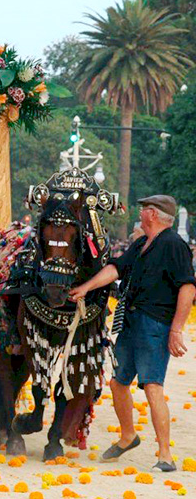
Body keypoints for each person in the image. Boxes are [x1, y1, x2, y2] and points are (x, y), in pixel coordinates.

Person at [69, 195, 195, 472]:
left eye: (142, 210)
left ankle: (165, 456)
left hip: (155, 325)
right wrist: (86, 287)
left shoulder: (174, 245)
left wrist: (176, 329)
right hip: (131, 321)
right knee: (118, 382)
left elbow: (188, 287)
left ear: (152, 214)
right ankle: (129, 435)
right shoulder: (141, 244)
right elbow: (116, 268)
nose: (139, 214)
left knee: (152, 387)